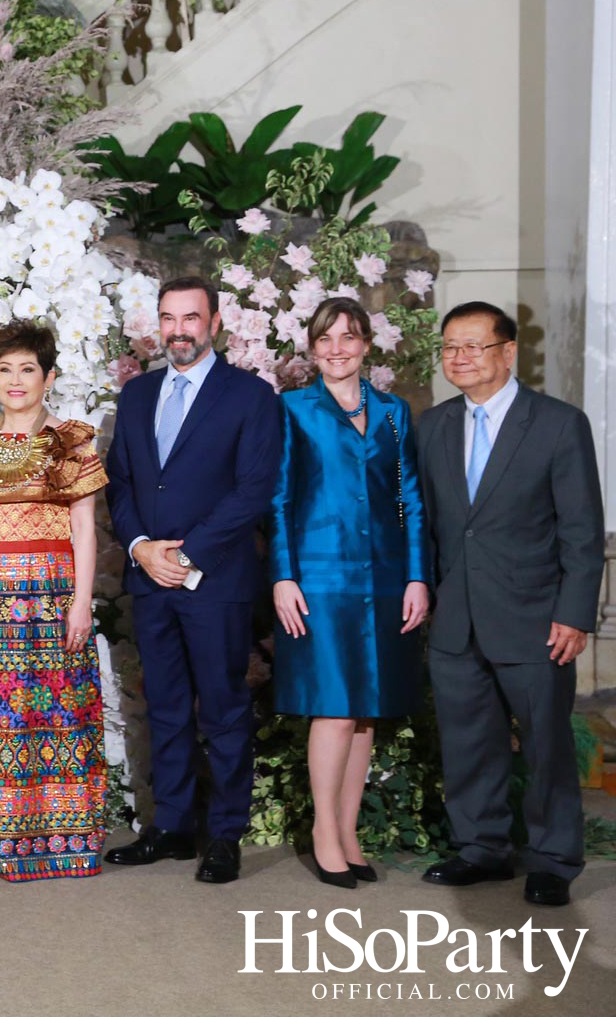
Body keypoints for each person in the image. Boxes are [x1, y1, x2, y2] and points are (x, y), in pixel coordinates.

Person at [416, 302, 603, 908]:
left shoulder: (557, 423)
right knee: (469, 741)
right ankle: (481, 848)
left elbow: (581, 530)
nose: (459, 358)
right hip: (457, 616)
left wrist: (575, 613)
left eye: (472, 346)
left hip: (536, 617)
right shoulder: (434, 426)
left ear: (507, 351)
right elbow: (426, 523)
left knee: (547, 744)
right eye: (449, 347)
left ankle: (553, 858)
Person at [103, 275, 279, 884]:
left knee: (224, 710)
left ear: (214, 322)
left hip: (216, 582)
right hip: (151, 579)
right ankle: (172, 827)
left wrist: (190, 553)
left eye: (191, 318)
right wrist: (143, 548)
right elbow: (121, 485)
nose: (178, 330)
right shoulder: (136, 396)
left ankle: (225, 833)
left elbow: (253, 490)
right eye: (169, 318)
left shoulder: (250, 396)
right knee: (168, 708)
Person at [267, 299, 430, 888]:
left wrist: (417, 576)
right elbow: (278, 499)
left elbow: (407, 499)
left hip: (383, 579)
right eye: (326, 338)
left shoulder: (393, 414)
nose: (337, 348)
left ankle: (349, 827)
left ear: (366, 345)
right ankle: (322, 834)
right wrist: (282, 576)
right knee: (333, 709)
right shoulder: (291, 409)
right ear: (311, 348)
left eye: (350, 337)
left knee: (365, 714)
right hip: (320, 579)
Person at [0, 321, 108, 881]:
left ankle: (61, 839)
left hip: (50, 597)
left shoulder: (71, 440)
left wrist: (82, 603)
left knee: (53, 714)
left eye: (28, 369)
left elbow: (85, 529)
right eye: (6, 370)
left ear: (49, 377)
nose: (16, 380)